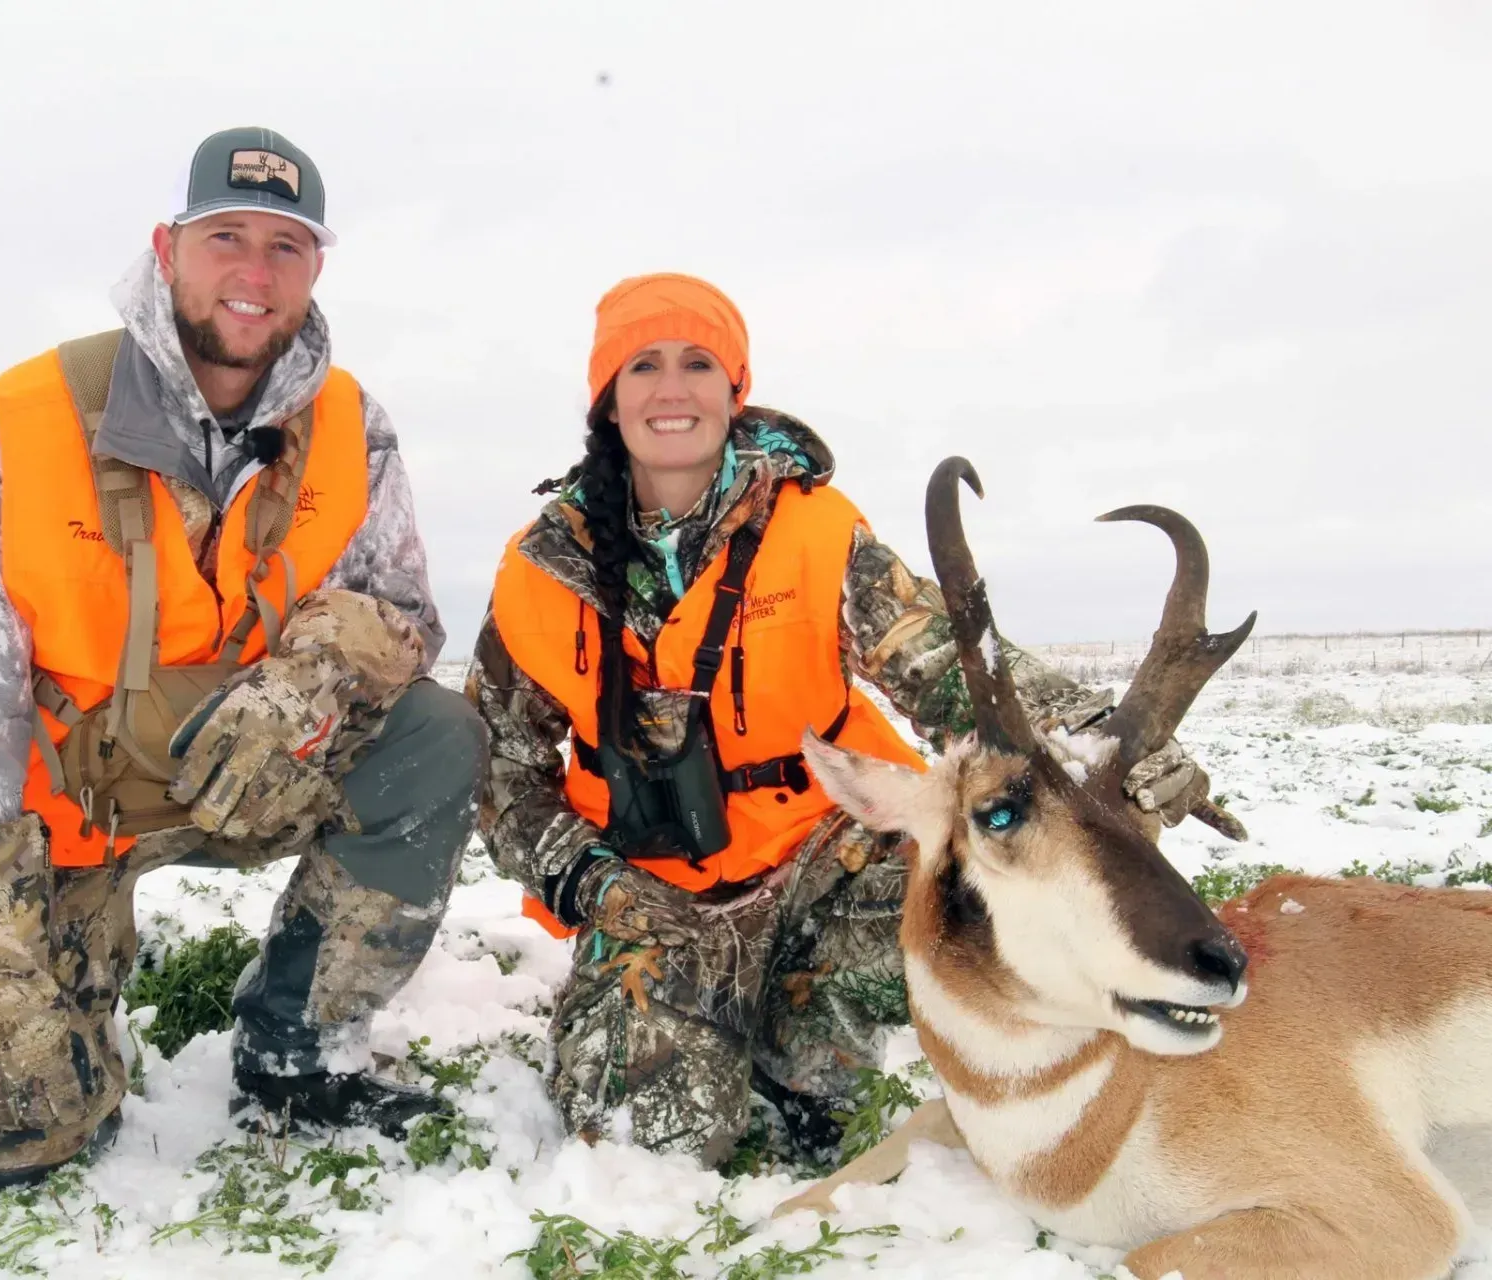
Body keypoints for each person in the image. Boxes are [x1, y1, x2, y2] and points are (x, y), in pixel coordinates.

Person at [466, 273, 1241, 1167]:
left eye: (698, 363)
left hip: (833, 859)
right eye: (642, 366)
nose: (670, 389)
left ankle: (804, 1043)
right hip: (653, 898)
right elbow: (503, 776)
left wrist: (1097, 738)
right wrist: (597, 886)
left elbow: (952, 671)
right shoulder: (539, 571)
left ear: (734, 388)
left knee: (983, 901)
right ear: (607, 398)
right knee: (649, 1150)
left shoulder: (816, 533)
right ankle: (723, 1018)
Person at [0, 126, 486, 1190]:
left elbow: (402, 608)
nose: (254, 273)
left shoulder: (352, 423)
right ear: (167, 249)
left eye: (286, 247)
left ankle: (295, 1046)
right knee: (5, 1136)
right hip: (61, 812)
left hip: (262, 766)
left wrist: (307, 684)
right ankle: (34, 1004)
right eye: (226, 238)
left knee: (436, 737)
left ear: (317, 269)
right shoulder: (17, 427)